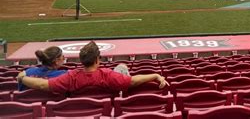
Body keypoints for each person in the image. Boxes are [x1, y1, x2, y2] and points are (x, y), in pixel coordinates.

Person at [16, 41, 169, 94]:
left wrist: (23, 77)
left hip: (74, 110)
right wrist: (155, 75)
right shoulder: (107, 75)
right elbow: (133, 81)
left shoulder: (70, 76)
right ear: (97, 59)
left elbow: (43, 85)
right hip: (106, 110)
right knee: (122, 68)